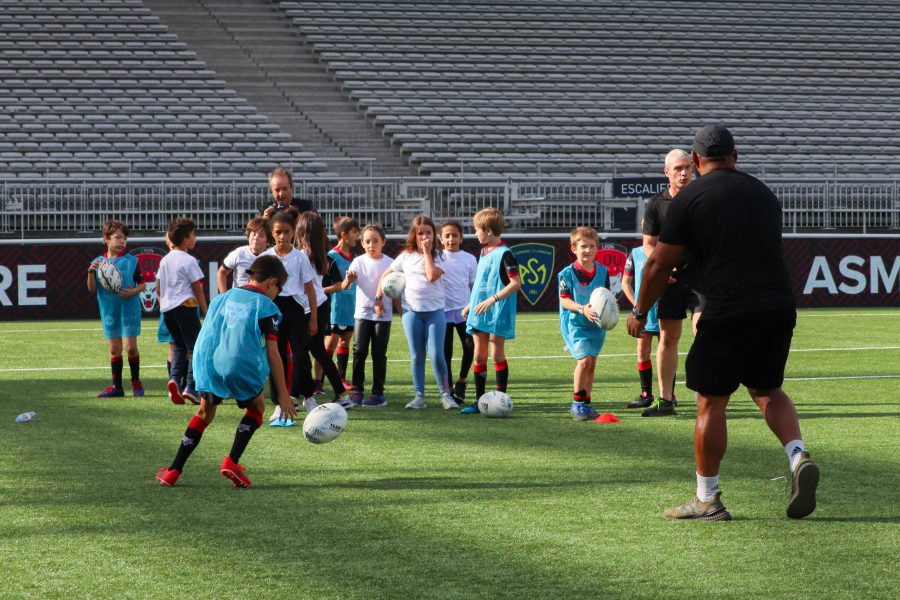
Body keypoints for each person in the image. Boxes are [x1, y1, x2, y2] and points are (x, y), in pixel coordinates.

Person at [626, 124, 819, 521]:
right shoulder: (763, 194)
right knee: (767, 388)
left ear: (696, 161)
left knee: (711, 402)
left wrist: (639, 311)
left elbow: (658, 264)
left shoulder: (688, 199)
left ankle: (707, 499)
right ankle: (797, 455)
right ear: (736, 155)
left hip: (729, 306)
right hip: (779, 303)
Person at [155, 255, 296, 488]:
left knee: (204, 414)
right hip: (240, 367)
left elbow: (208, 333)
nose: (277, 294)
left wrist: (198, 371)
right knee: (257, 409)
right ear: (272, 282)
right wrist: (282, 395)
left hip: (208, 364)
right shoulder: (267, 307)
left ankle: (173, 470)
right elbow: (273, 353)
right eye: (279, 289)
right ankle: (231, 461)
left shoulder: (223, 297)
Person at [640, 148, 705, 416]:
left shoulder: (703, 199)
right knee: (667, 337)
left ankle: (706, 396)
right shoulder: (656, 204)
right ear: (667, 172)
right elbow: (648, 244)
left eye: (687, 167)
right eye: (678, 168)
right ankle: (666, 400)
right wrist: (661, 266)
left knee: (704, 331)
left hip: (701, 277)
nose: (684, 172)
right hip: (670, 278)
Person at [380, 214, 457, 410]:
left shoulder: (441, 256)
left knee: (437, 354)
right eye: (420, 233)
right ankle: (419, 396)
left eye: (428, 233)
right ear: (413, 235)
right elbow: (386, 276)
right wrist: (379, 297)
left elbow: (431, 275)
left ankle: (446, 395)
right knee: (416, 356)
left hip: (435, 313)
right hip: (412, 313)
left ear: (435, 235)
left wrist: (427, 252)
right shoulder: (405, 257)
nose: (424, 237)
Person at [460, 207, 522, 414]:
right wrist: (471, 304)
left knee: (496, 355)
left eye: (477, 229)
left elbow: (515, 283)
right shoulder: (484, 251)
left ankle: (500, 399)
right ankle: (479, 401)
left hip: (497, 311)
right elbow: (481, 282)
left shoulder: (505, 254)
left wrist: (493, 300)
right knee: (479, 356)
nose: (475, 233)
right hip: (480, 311)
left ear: (487, 230)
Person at [262, 209, 319, 422]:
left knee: (301, 354)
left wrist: (313, 318)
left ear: (293, 232)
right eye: (278, 232)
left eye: (286, 231)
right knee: (275, 356)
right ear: (272, 233)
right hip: (273, 308)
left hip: (295, 309)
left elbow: (310, 289)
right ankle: (279, 403)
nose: (283, 236)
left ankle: (309, 396)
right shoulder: (266, 257)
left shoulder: (300, 257)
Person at [294, 210, 354, 409]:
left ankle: (300, 394)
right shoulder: (321, 254)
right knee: (317, 351)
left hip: (307, 308)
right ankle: (339, 393)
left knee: (303, 352)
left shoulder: (301, 256)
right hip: (320, 305)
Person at [86, 219, 146, 398]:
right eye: (118, 238)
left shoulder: (131, 261)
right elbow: (92, 289)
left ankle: (135, 380)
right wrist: (90, 271)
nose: (122, 242)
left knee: (131, 348)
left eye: (125, 238)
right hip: (109, 311)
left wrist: (133, 291)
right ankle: (117, 387)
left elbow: (143, 285)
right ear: (106, 239)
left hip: (129, 310)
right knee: (114, 349)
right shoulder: (98, 263)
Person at [558, 227, 610, 421]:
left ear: (597, 248)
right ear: (574, 249)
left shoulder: (603, 271)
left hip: (595, 324)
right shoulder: (566, 274)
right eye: (583, 246)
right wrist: (582, 308)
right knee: (584, 360)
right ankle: (577, 403)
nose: (587, 250)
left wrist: (609, 308)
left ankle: (587, 403)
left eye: (592, 246)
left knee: (592, 362)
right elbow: (564, 301)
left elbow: (604, 296)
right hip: (575, 322)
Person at [342, 224, 396, 408]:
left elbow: (397, 287)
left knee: (379, 353)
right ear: (362, 244)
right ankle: (357, 390)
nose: (371, 245)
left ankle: (378, 393)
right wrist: (348, 280)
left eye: (375, 241)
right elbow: (344, 286)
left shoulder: (391, 263)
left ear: (383, 243)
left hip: (383, 314)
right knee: (359, 351)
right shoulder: (358, 262)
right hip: (362, 314)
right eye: (367, 241)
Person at [157, 217, 208, 405]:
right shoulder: (189, 260)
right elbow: (197, 288)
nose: (195, 238)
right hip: (185, 307)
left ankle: (174, 379)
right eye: (194, 235)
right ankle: (191, 387)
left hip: (168, 310)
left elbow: (158, 288)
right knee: (197, 347)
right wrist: (206, 311)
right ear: (186, 239)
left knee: (179, 345)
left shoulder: (165, 260)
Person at [314, 216, 360, 393]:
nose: (357, 235)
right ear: (343, 234)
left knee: (344, 341)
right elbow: (321, 287)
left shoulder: (354, 258)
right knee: (328, 346)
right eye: (355, 232)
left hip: (350, 307)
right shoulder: (331, 257)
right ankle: (318, 381)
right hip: (335, 309)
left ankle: (341, 377)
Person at [439, 220, 477, 404]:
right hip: (443, 312)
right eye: (447, 236)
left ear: (461, 238)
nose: (451, 239)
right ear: (441, 239)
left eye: (454, 235)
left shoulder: (469, 258)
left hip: (465, 311)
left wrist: (473, 306)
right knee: (446, 351)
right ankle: (450, 389)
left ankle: (462, 381)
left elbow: (474, 285)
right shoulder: (436, 257)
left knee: (470, 346)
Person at [622, 244, 661, 408]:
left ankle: (668, 395)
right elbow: (625, 282)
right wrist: (638, 306)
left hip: (665, 310)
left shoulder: (668, 251)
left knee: (666, 350)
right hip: (644, 313)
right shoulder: (636, 253)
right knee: (642, 350)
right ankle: (646, 395)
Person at [216, 217, 273, 292]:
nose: (256, 238)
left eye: (261, 235)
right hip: (239, 300)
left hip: (261, 301)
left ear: (268, 241)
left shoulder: (272, 257)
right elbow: (221, 273)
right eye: (254, 234)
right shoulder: (239, 253)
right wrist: (224, 296)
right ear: (248, 236)